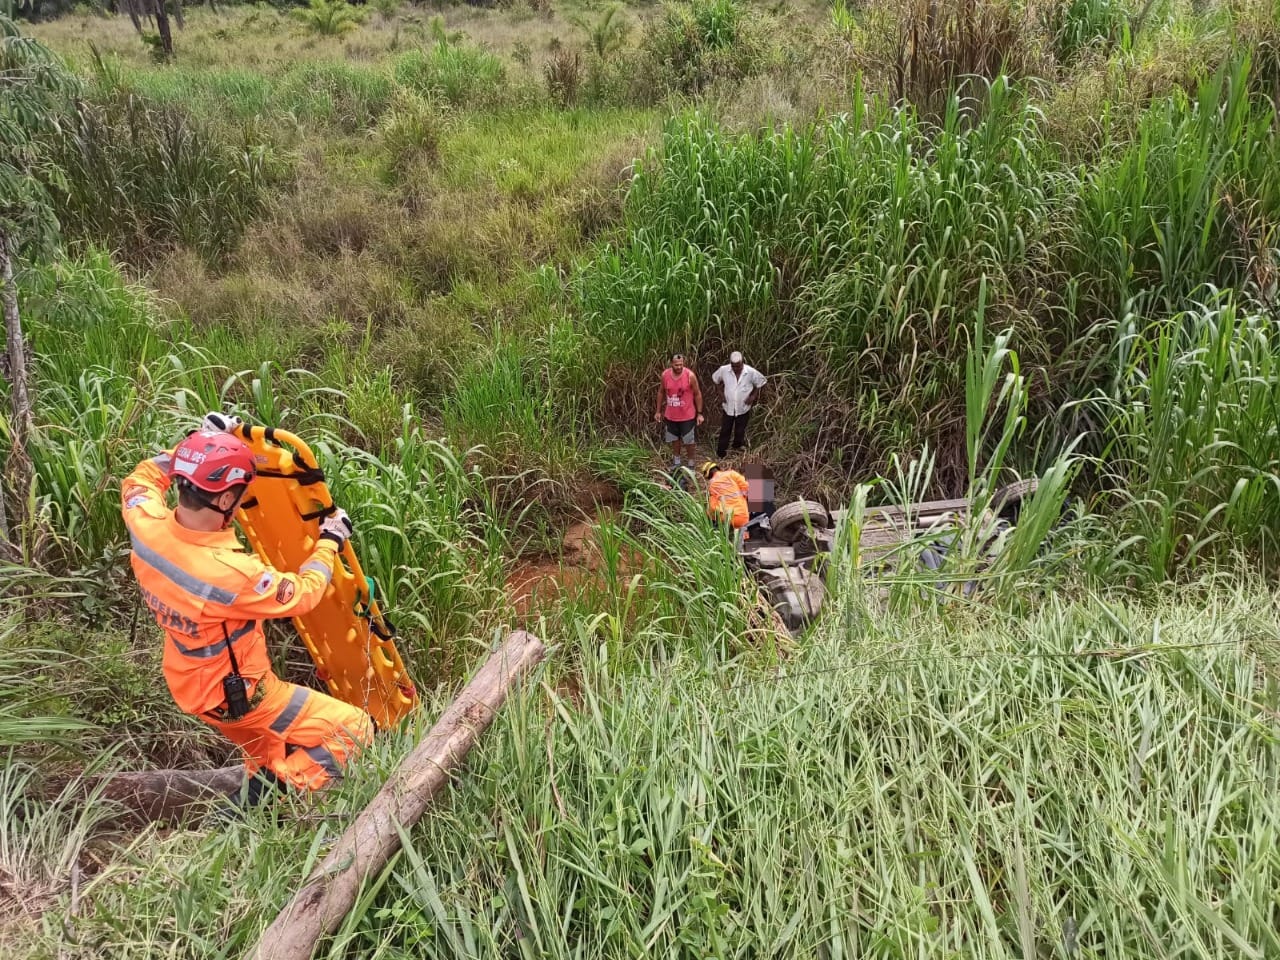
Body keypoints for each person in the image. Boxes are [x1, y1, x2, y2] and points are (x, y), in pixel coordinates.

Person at [120, 413, 374, 813]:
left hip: (193, 686)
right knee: (355, 729)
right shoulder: (228, 574)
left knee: (265, 749)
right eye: (240, 495)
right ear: (224, 500)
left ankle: (259, 806)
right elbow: (305, 594)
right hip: (242, 696)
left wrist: (203, 442)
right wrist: (330, 539)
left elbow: (142, 478)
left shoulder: (144, 522)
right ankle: (264, 800)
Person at [654, 353, 704, 476]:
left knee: (689, 441)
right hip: (671, 415)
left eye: (681, 364)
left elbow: (697, 394)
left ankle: (691, 464)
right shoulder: (665, 375)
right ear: (671, 364)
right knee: (674, 439)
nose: (679, 367)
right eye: (676, 365)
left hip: (687, 415)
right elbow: (661, 392)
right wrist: (658, 411)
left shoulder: (690, 376)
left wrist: (699, 413)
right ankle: (677, 462)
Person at [711, 351, 767, 459]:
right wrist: (720, 393)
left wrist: (753, 396)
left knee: (740, 430)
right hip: (728, 407)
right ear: (730, 364)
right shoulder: (724, 370)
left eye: (738, 366)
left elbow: (761, 382)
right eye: (733, 366)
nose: (736, 368)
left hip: (743, 408)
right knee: (725, 430)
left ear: (742, 362)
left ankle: (736, 449)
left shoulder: (750, 372)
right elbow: (715, 379)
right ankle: (721, 453)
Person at [700, 460, 750, 543]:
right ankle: (745, 539)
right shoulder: (732, 474)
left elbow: (713, 507)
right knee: (743, 533)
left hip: (727, 518)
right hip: (742, 517)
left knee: (710, 505)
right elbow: (746, 487)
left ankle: (715, 533)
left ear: (708, 475)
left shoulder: (712, 486)